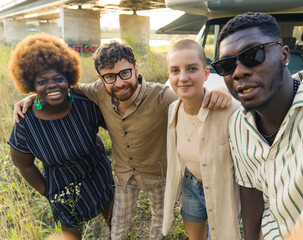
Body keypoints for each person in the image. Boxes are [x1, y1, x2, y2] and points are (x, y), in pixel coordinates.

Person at [14, 40, 232, 239]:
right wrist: (34, 96)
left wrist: (218, 90)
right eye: (110, 76)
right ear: (100, 79)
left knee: (158, 224)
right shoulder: (97, 92)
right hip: (124, 176)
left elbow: (191, 95)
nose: (119, 83)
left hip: (158, 175)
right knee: (117, 228)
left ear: (136, 70)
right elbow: (63, 89)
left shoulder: (161, 96)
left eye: (125, 73)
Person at [211, 12, 303, 240]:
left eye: (253, 54)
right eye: (227, 65)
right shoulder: (240, 124)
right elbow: (252, 190)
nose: (239, 71)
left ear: (284, 55)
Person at [7, 33, 114, 240]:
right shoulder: (26, 123)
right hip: (62, 187)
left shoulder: (86, 106)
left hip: (97, 173)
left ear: (68, 79)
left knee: (115, 221)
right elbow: (23, 164)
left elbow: (117, 128)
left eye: (58, 79)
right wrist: (48, 192)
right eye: (42, 82)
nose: (52, 85)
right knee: (71, 233)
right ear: (32, 85)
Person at [162, 39, 241, 240]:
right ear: (169, 75)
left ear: (206, 73)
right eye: (175, 71)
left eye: (191, 69)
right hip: (191, 182)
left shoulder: (228, 109)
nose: (183, 77)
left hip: (222, 188)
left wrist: (228, 92)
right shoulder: (174, 110)